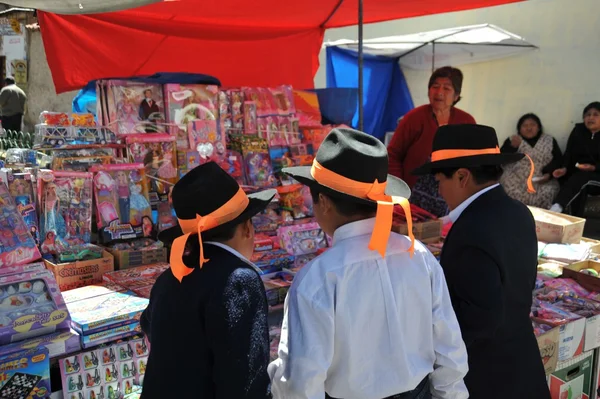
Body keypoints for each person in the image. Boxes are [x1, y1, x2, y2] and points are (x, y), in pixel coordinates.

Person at [269, 128, 469, 399]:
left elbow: (302, 384)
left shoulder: (318, 279)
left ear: (324, 202)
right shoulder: (419, 257)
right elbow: (450, 351)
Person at [412, 124, 550, 399]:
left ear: (462, 176)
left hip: (487, 377)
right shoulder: (519, 212)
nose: (439, 191)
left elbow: (479, 320)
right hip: (522, 363)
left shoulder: (471, 230)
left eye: (440, 181)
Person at [140, 162, 276, 399]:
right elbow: (245, 380)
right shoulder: (240, 280)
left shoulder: (169, 277)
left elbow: (148, 324)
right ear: (247, 228)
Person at [387, 66, 475, 217]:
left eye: (446, 88)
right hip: (413, 196)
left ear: (456, 96)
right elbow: (393, 155)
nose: (439, 92)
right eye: (435, 86)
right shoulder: (413, 118)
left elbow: (474, 159)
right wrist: (399, 191)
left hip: (453, 198)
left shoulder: (466, 121)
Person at [500, 113, 562, 208]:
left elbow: (558, 160)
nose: (529, 128)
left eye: (532, 125)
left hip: (541, 178)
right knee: (508, 188)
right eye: (525, 125)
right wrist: (511, 147)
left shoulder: (549, 140)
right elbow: (501, 158)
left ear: (539, 127)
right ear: (519, 129)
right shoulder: (513, 139)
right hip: (516, 177)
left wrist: (548, 174)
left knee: (548, 191)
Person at [550, 102, 600, 215]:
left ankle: (557, 207)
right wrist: (564, 168)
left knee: (582, 178)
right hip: (579, 177)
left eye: (596, 114)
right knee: (579, 184)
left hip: (597, 176)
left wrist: (593, 167)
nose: (590, 117)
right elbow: (569, 153)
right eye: (587, 115)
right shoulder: (578, 131)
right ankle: (575, 224)